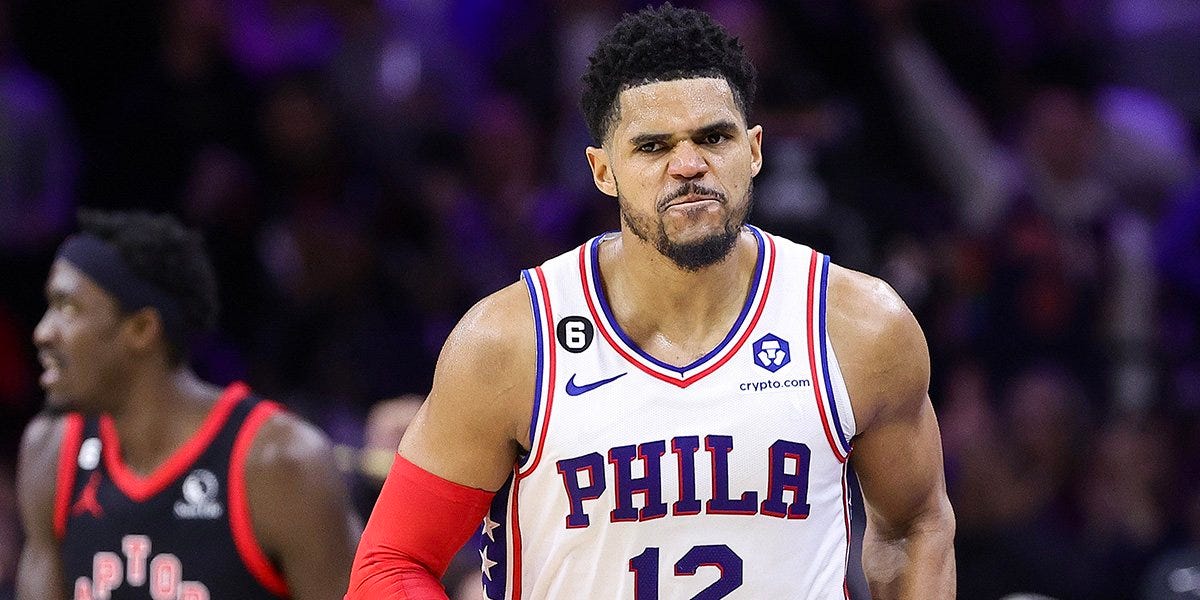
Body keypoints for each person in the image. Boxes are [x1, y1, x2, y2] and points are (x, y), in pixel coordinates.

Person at [347, 4, 955, 598]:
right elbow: (391, 563)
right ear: (602, 171)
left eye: (713, 137)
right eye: (654, 146)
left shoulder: (857, 326)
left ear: (754, 150)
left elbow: (915, 528)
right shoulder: (511, 343)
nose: (688, 165)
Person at [16, 209, 361, 599]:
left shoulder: (280, 462)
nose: (42, 333)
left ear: (141, 329)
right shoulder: (50, 452)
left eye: (68, 308)